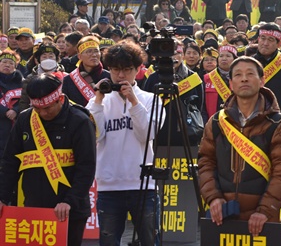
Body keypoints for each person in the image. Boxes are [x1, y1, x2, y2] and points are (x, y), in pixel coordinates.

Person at [198, 56, 281, 236]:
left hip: (262, 220)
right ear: (230, 84)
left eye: (250, 74)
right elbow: (205, 162)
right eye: (238, 75)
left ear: (262, 81)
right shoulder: (217, 122)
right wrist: (213, 198)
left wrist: (265, 210)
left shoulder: (277, 123)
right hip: (224, 216)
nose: (244, 78)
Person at [0, 74, 96, 246]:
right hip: (34, 209)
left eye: (48, 108)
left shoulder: (79, 120)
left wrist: (69, 201)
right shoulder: (25, 119)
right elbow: (10, 163)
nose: (43, 113)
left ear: (59, 99)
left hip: (68, 211)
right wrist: (2, 197)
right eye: (38, 109)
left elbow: (86, 167)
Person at [87, 42, 163, 246]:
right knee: (109, 241)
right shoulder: (98, 101)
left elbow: (146, 134)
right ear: (108, 70)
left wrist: (133, 102)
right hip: (109, 185)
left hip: (143, 185)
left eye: (127, 70)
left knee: (150, 241)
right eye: (115, 69)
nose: (121, 75)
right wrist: (97, 101)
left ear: (138, 70)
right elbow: (95, 135)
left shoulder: (151, 99)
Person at [62, 36, 111, 107]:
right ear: (79, 56)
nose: (94, 55)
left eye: (96, 51)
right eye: (89, 52)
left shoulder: (109, 77)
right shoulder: (69, 80)